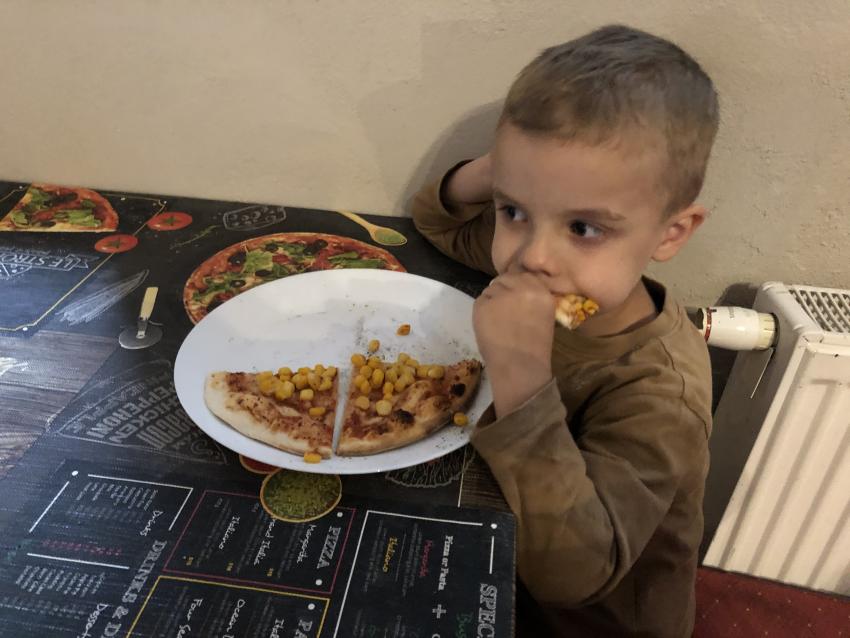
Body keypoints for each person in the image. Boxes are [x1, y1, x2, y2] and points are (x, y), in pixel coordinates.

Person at [412, 24, 719, 637]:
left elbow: (574, 574)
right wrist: (507, 174)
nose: (532, 256)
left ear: (670, 234)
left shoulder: (661, 393)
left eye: (584, 226)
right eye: (513, 212)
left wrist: (523, 378)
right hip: (498, 550)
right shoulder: (554, 269)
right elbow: (436, 221)